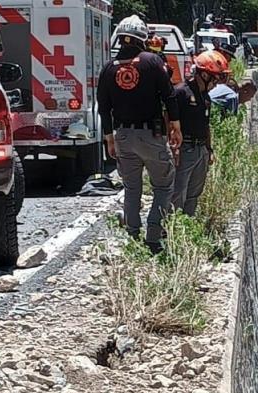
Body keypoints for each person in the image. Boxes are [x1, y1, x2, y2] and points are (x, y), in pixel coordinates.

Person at [97, 15, 181, 254]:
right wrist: (176, 127)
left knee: (132, 188)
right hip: (150, 135)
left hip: (122, 135)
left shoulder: (108, 68)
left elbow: (104, 107)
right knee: (163, 186)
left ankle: (132, 237)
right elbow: (169, 96)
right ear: (142, 38)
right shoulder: (153, 62)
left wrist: (109, 139)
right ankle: (153, 237)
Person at [170, 50, 227, 217]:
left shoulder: (205, 97)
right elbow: (170, 121)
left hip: (200, 149)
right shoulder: (181, 92)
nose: (217, 83)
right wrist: (174, 148)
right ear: (204, 74)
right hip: (185, 148)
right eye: (215, 77)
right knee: (178, 191)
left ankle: (188, 224)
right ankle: (172, 228)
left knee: (194, 192)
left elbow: (206, 124)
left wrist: (209, 150)